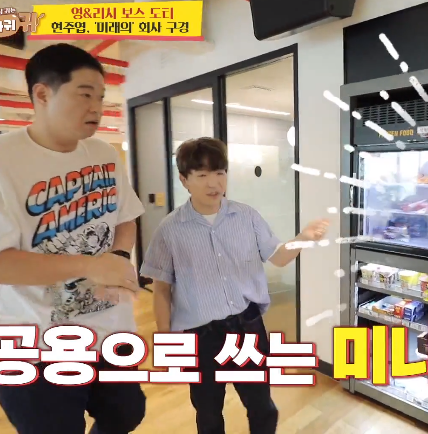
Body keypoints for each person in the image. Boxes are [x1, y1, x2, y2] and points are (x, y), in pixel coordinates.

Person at [0, 43, 147, 434]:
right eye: (84, 94)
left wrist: (118, 256)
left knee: (126, 414)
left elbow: (126, 217)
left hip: (108, 330)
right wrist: (90, 265)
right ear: (42, 93)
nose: (97, 108)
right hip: (32, 345)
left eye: (101, 97)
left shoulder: (103, 153)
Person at [140, 137, 329, 434]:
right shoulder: (170, 230)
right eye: (202, 175)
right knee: (208, 412)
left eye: (220, 172)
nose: (213, 183)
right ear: (184, 180)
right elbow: (161, 290)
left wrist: (303, 238)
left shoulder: (247, 216)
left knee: (262, 406)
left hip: (247, 327)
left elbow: (279, 257)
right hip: (200, 336)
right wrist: (165, 343)